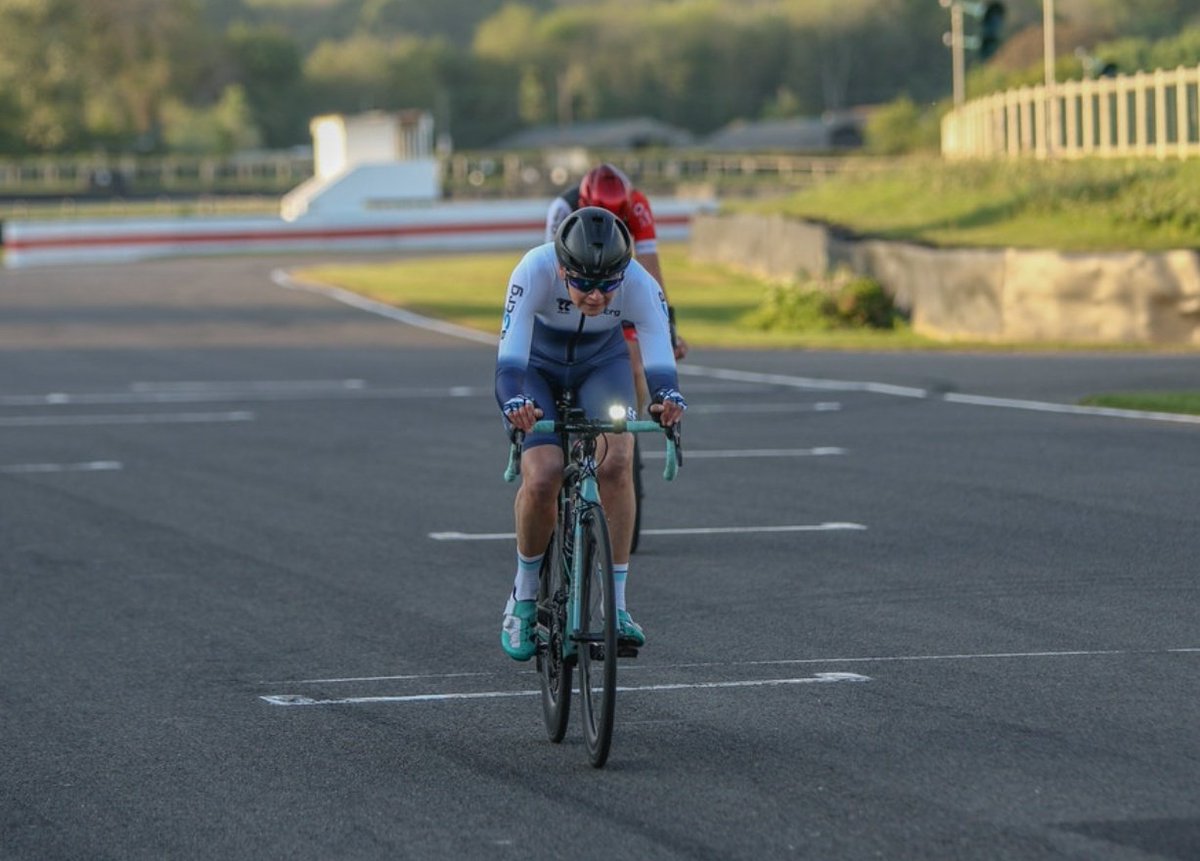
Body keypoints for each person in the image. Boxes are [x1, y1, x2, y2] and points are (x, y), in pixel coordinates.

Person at [497, 206, 687, 661]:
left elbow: (661, 361)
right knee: (543, 475)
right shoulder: (533, 269)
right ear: (562, 268)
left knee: (618, 461)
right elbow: (509, 364)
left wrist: (667, 398)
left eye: (608, 285)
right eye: (582, 283)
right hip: (537, 368)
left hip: (601, 365)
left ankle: (617, 607)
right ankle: (523, 597)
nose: (597, 297)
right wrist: (515, 404)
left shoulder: (641, 283)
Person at [545, 163, 688, 415]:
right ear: (583, 202)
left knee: (635, 368)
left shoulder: (637, 204)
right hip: (579, 283)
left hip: (614, 282)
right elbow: (554, 270)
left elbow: (650, 269)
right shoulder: (563, 208)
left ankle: (630, 424)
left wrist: (668, 325)